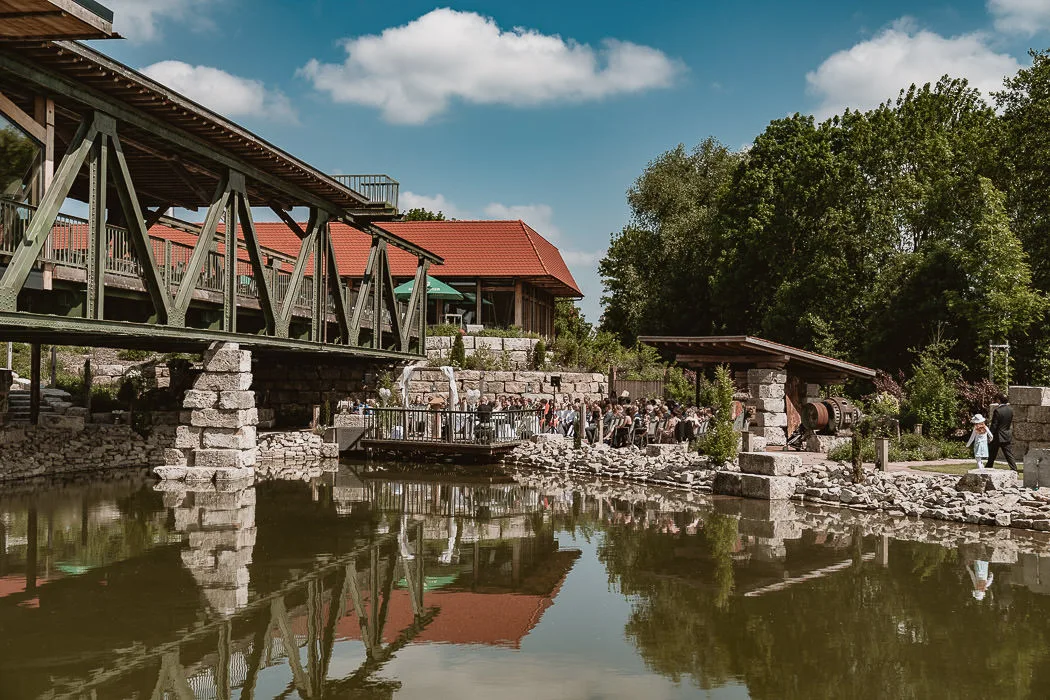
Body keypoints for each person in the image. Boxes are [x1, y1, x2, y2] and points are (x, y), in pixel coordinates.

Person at [985, 399, 1017, 472]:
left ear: (999, 400)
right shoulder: (1010, 410)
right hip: (1006, 435)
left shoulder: (998, 411)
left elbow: (994, 425)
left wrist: (989, 435)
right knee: (1009, 454)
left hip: (997, 436)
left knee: (992, 454)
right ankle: (1014, 469)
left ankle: (988, 468)